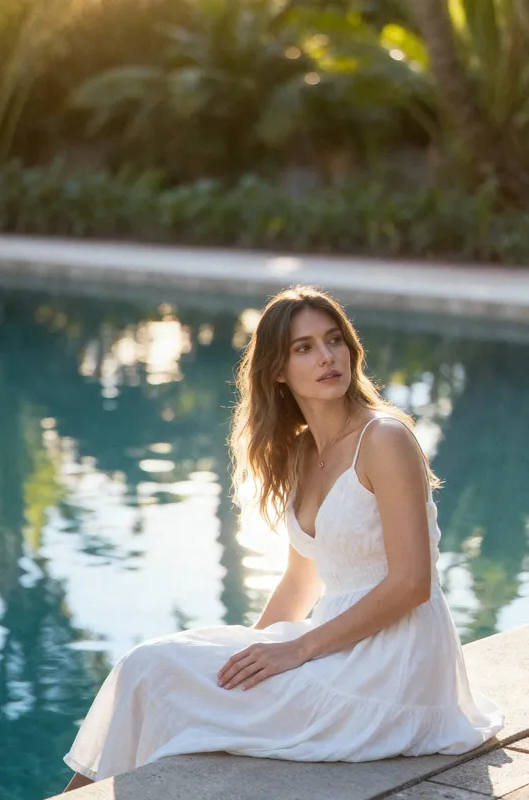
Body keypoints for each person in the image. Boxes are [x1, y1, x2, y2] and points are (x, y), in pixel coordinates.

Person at [62, 285, 503, 792]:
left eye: (334, 340)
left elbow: (411, 584)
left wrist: (296, 651)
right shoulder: (299, 453)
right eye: (304, 348)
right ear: (277, 370)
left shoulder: (384, 439)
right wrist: (245, 658)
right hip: (332, 648)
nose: (327, 357)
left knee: (162, 678)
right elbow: (299, 582)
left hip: (395, 666)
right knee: (147, 665)